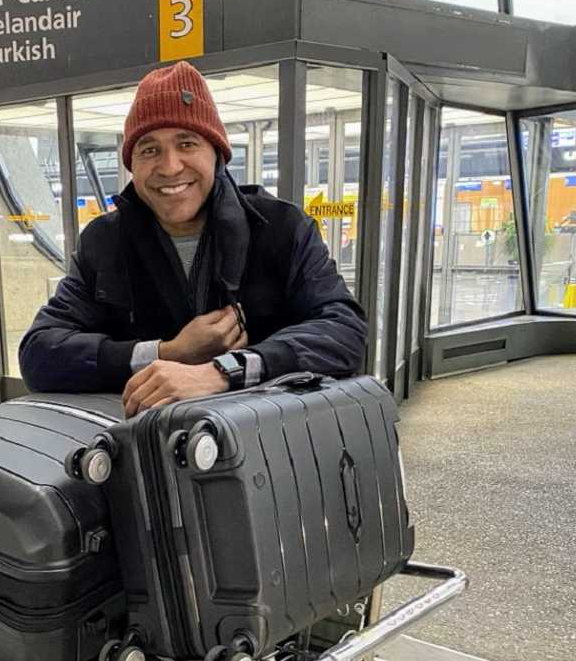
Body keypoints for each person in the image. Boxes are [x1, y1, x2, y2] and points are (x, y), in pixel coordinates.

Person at [19, 61, 367, 413]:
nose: (170, 167)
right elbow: (39, 353)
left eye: (187, 143)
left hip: (263, 448)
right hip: (145, 451)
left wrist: (224, 371)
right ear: (132, 163)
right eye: (149, 149)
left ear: (217, 154)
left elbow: (344, 331)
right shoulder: (104, 241)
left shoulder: (280, 227)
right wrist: (165, 352)